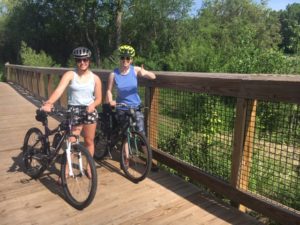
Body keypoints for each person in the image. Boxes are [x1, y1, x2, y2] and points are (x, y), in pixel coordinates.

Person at [41, 47, 102, 161]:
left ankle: (90, 166)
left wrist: (93, 105)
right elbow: (59, 90)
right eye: (79, 60)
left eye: (85, 60)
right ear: (76, 61)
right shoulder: (70, 74)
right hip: (74, 110)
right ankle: (67, 169)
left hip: (89, 110)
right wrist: (49, 102)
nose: (82, 62)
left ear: (89, 60)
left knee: (89, 140)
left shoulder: (95, 78)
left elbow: (99, 99)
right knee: (72, 141)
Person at [106, 44, 156, 166]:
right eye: (123, 58)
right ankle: (126, 157)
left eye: (128, 58)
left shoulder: (135, 70)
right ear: (120, 59)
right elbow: (108, 90)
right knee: (125, 132)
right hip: (121, 107)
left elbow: (153, 77)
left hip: (135, 107)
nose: (125, 60)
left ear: (131, 60)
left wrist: (145, 72)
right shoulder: (114, 74)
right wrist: (111, 100)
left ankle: (150, 160)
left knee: (141, 132)